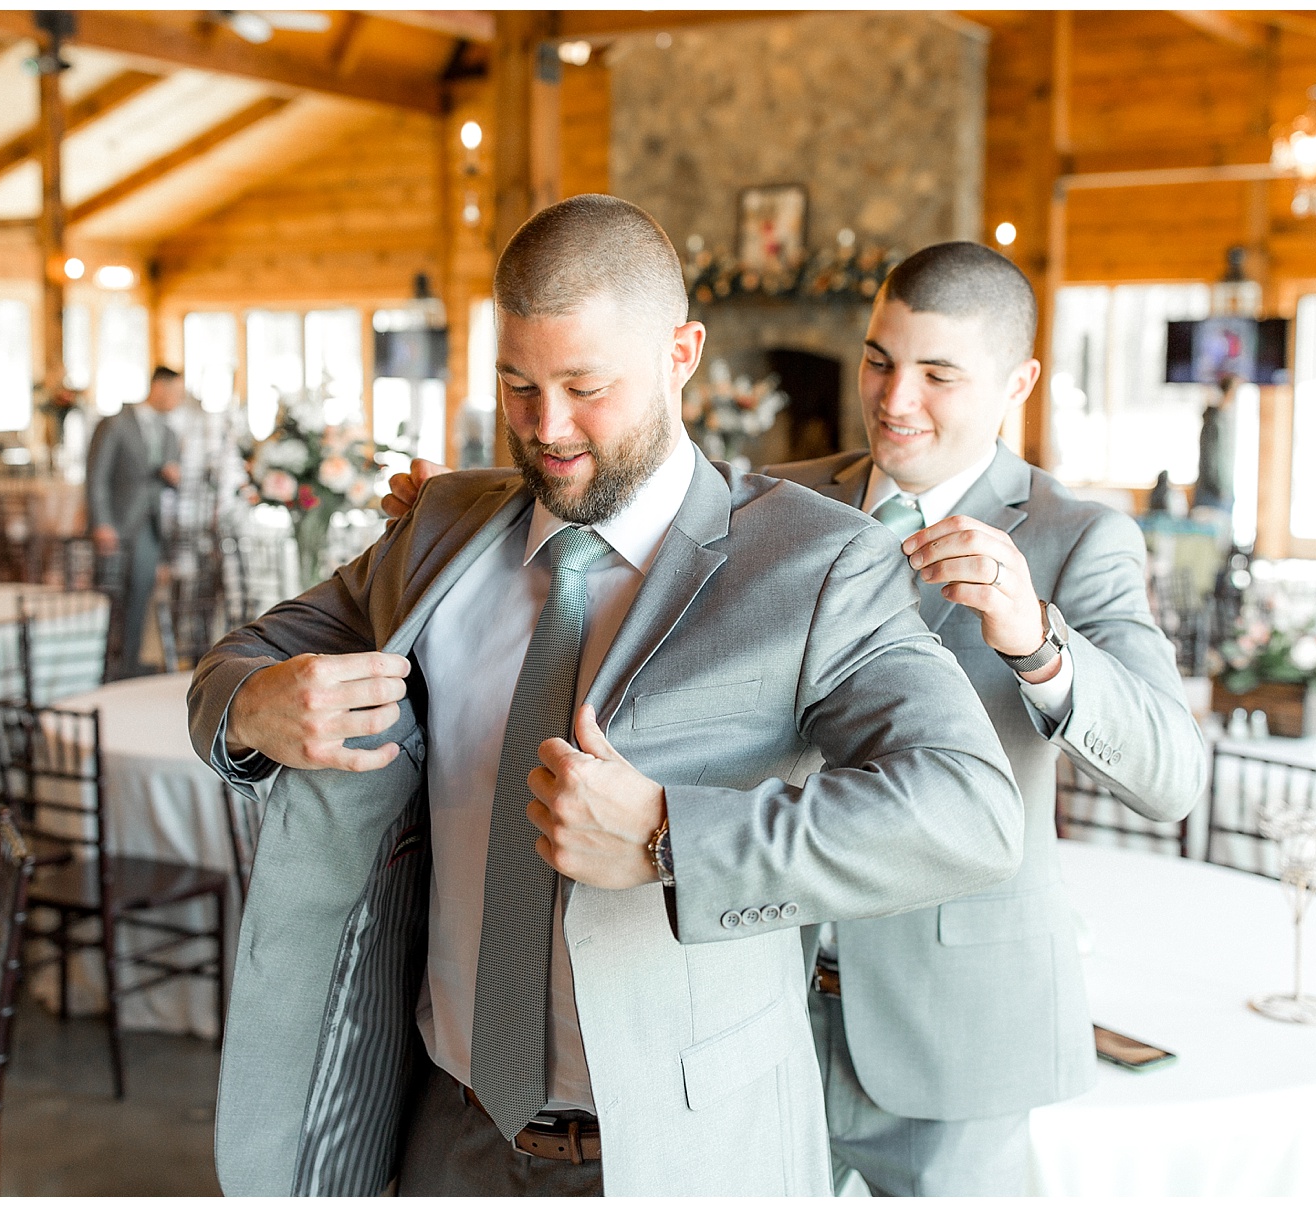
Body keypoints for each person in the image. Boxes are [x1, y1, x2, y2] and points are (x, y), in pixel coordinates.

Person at [191, 196, 1025, 1197]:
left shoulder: (815, 563)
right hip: (442, 1131)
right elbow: (237, 667)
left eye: (587, 387)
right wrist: (256, 707)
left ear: (682, 352)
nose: (548, 430)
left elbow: (969, 808)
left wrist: (673, 837)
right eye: (518, 385)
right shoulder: (443, 527)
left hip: (678, 1155)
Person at [384, 241, 1209, 1195]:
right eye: (878, 360)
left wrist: (1039, 644)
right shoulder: (781, 503)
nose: (895, 400)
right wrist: (470, 517)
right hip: (753, 1010)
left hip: (951, 1029)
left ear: (1019, 380)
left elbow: (1170, 773)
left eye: (938, 374)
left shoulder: (1079, 535)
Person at [86, 366, 183, 675]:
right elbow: (96, 476)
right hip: (116, 524)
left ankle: (128, 666)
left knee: (141, 593)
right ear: (159, 387)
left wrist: (171, 477)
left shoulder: (170, 434)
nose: (178, 401)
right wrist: (101, 522)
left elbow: (166, 477)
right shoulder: (115, 424)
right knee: (108, 599)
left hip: (150, 525)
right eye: (177, 393)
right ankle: (99, 666)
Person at [1194, 373, 1236, 514]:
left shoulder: (1219, 419)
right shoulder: (1215, 422)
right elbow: (1212, 456)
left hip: (1218, 491)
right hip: (1214, 493)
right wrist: (1220, 488)